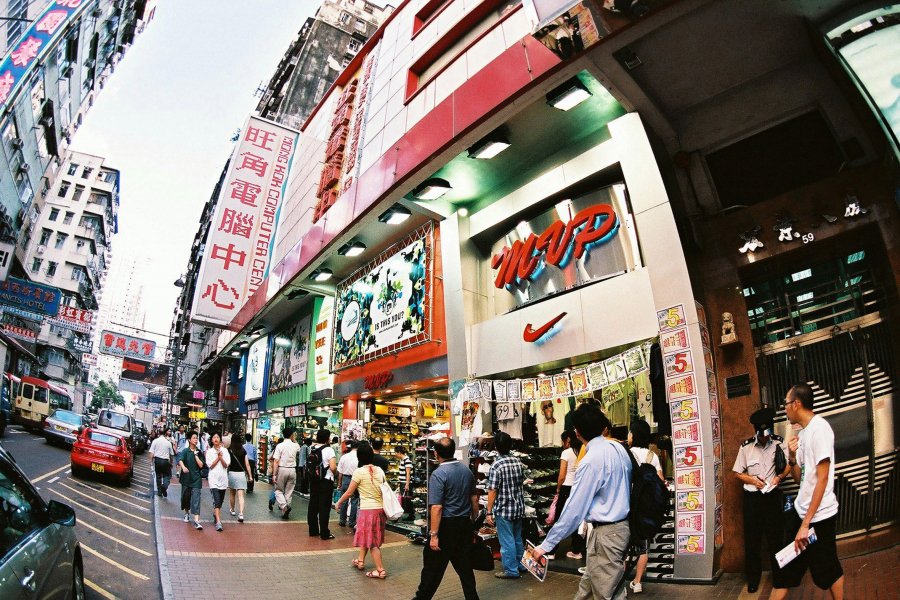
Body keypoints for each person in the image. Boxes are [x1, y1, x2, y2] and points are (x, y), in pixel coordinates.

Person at [532, 404, 632, 600]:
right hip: (616, 529)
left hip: (607, 535)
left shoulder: (591, 460)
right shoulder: (619, 448)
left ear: (577, 433)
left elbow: (574, 510)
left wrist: (546, 545)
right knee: (588, 587)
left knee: (606, 594)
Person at [771, 384, 844, 600]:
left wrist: (806, 525)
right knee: (784, 569)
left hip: (819, 518)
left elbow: (823, 479)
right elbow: (800, 479)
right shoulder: (803, 434)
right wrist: (792, 458)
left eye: (786, 403)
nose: (784, 409)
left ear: (796, 404)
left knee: (828, 571)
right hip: (801, 513)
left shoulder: (820, 429)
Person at [410, 436, 480, 600]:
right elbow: (474, 500)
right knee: (464, 567)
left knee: (432, 568)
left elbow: (437, 507)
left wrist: (434, 534)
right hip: (463, 524)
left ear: (436, 453)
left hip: (445, 526)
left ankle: (421, 598)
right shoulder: (467, 471)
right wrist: (472, 522)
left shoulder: (439, 474)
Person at [732, 407, 791, 594]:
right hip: (752, 499)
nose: (764, 438)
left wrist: (778, 478)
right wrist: (753, 481)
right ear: (755, 431)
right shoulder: (746, 447)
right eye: (761, 434)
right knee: (752, 541)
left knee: (776, 539)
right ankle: (753, 579)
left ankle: (780, 577)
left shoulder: (779, 443)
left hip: (772, 496)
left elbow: (789, 465)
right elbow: (737, 472)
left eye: (767, 434)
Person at [335, 443, 389, 578]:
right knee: (369, 537)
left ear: (359, 457)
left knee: (373, 543)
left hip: (367, 511)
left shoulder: (359, 472)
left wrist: (338, 502)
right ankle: (360, 560)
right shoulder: (379, 470)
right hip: (379, 510)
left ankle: (380, 570)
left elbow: (349, 493)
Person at [628, 420, 665, 594]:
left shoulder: (626, 454)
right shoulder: (653, 456)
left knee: (623, 546)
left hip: (628, 505)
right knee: (643, 546)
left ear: (633, 435)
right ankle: (637, 582)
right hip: (644, 508)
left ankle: (619, 581)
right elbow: (661, 481)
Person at [485, 431, 526, 579]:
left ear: (496, 447)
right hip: (518, 506)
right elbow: (522, 481)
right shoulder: (517, 462)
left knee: (507, 541)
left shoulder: (497, 465)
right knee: (517, 538)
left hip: (504, 509)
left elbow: (493, 490)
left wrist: (489, 511)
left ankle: (511, 570)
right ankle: (521, 565)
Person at [547, 430, 585, 561]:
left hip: (566, 488)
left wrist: (558, 489)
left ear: (567, 440)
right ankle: (577, 550)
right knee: (577, 519)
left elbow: (562, 476)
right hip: (578, 489)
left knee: (558, 520)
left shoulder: (566, 453)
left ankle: (552, 550)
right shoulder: (582, 451)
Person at [308, 428, 338, 539]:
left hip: (314, 480)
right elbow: (333, 467)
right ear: (327, 438)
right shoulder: (329, 450)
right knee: (324, 507)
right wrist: (334, 473)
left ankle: (313, 530)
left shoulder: (313, 448)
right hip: (325, 481)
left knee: (313, 506)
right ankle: (324, 532)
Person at [177, 431, 206, 530]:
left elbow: (201, 465)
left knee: (196, 499)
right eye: (194, 438)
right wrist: (183, 467)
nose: (196, 440)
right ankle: (186, 513)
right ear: (189, 440)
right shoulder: (185, 451)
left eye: (196, 438)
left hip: (196, 479)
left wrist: (196, 455)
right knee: (186, 497)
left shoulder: (199, 452)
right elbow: (180, 460)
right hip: (186, 479)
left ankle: (197, 520)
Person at [272, 427, 301, 520]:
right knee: (289, 491)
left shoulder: (279, 446)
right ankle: (285, 510)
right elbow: (298, 447)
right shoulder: (295, 445)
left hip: (282, 469)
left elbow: (276, 460)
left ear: (283, 435)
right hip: (292, 470)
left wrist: (274, 474)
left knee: (278, 490)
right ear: (291, 435)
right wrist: (293, 439)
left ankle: (284, 506)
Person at [205, 432, 231, 531]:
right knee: (216, 501)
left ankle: (216, 514)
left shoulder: (225, 451)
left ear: (220, 439)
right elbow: (210, 465)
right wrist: (218, 457)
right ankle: (219, 522)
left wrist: (221, 457)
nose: (215, 439)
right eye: (214, 437)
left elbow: (226, 465)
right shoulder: (210, 452)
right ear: (211, 440)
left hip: (223, 480)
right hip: (213, 479)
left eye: (217, 437)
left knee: (220, 500)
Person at [227, 434, 252, 522]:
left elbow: (227, 463)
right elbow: (247, 464)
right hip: (241, 474)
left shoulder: (229, 450)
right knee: (241, 495)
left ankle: (233, 510)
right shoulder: (243, 450)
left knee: (232, 493)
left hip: (232, 474)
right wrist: (250, 476)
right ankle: (241, 514)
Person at [337, 439, 360, 528]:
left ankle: (342, 520)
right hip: (356, 478)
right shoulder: (359, 457)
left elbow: (340, 473)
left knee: (344, 499)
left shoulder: (344, 457)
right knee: (354, 500)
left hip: (345, 478)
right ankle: (352, 522)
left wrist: (339, 483)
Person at [149, 428, 175, 498]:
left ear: (158, 433)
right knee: (168, 475)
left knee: (158, 476)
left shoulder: (155, 441)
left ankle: (159, 491)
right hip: (165, 461)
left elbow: (151, 452)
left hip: (157, 460)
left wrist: (151, 461)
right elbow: (171, 454)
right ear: (165, 433)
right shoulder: (168, 443)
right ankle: (165, 485)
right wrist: (171, 462)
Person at [395, 445, 414, 521]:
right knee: (403, 499)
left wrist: (407, 484)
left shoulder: (407, 460)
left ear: (399, 452)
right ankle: (406, 515)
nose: (395, 454)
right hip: (403, 482)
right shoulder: (403, 460)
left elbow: (408, 473)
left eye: (396, 452)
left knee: (407, 500)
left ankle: (410, 515)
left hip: (406, 483)